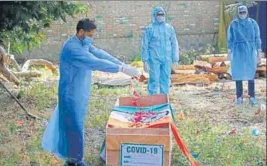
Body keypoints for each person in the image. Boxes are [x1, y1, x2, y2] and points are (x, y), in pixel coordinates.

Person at [41, 18, 140, 166]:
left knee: (76, 125)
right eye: (90, 35)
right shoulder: (72, 48)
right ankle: (75, 160)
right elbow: (94, 61)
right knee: (74, 127)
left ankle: (73, 159)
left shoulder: (82, 43)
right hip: (71, 94)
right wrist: (122, 70)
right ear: (81, 32)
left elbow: (100, 54)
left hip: (79, 93)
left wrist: (122, 64)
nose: (91, 38)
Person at [227, 5, 262, 105]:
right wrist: (229, 51)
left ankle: (252, 96)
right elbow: (230, 39)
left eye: (244, 12)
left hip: (250, 50)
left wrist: (259, 50)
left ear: (247, 12)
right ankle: (239, 97)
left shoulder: (252, 23)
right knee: (238, 74)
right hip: (238, 51)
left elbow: (257, 37)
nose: (242, 14)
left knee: (250, 73)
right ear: (238, 13)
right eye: (241, 12)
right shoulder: (234, 24)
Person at [141, 7, 179, 95]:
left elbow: (174, 43)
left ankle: (164, 99)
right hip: (154, 59)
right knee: (154, 79)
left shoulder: (169, 28)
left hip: (167, 59)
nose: (160, 16)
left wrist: (175, 59)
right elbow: (144, 45)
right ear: (154, 15)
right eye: (158, 14)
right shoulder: (149, 29)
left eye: (162, 14)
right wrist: (145, 60)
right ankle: (152, 99)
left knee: (165, 78)